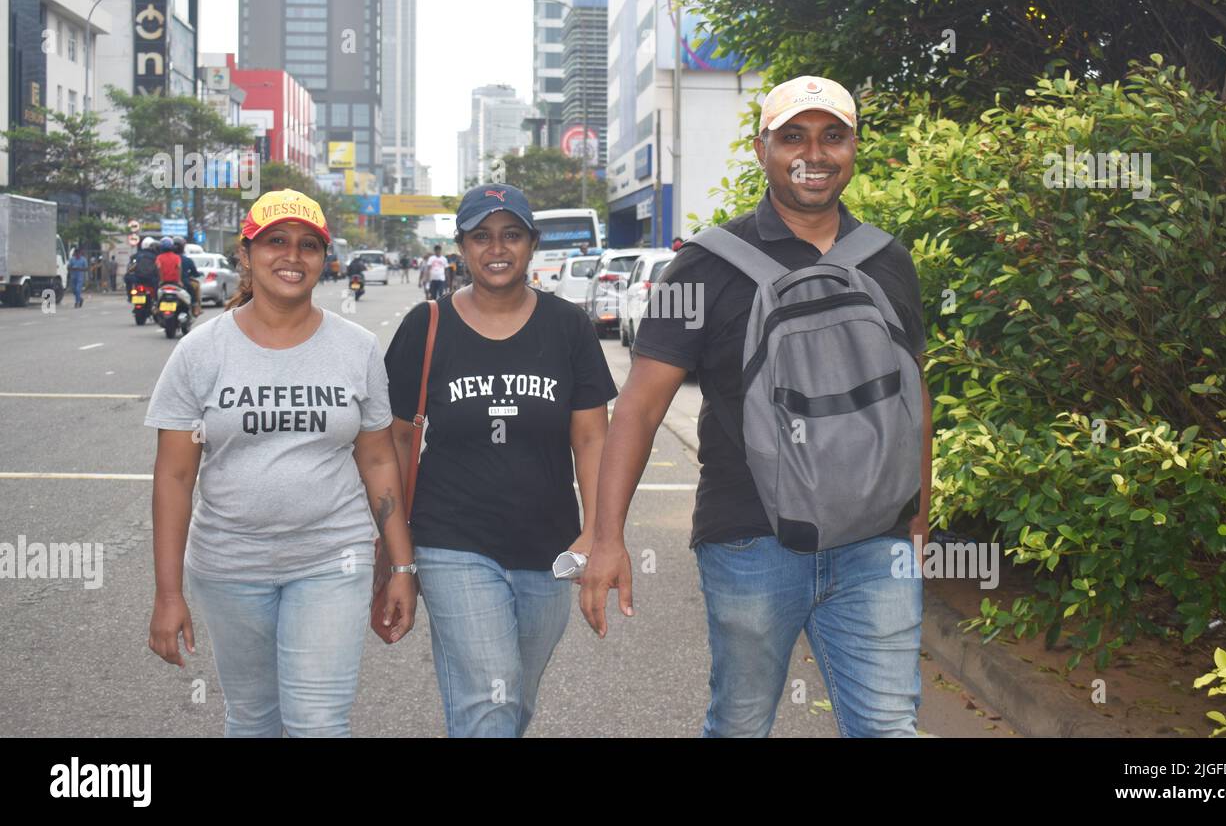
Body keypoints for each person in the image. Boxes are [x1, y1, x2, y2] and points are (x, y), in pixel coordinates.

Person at [580, 75, 931, 738]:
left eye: (833, 135)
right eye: (792, 135)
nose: (814, 153)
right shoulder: (704, 267)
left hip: (875, 543)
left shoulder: (889, 260)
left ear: (855, 147)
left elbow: (915, 395)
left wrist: (918, 521)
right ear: (760, 148)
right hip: (750, 539)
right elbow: (641, 408)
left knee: (888, 726)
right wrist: (606, 537)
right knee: (741, 725)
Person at [144, 189, 418, 737]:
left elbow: (380, 461)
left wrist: (401, 567)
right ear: (245, 255)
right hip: (228, 564)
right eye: (275, 241)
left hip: (331, 558)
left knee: (318, 723)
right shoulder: (200, 352)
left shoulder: (357, 348)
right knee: (253, 720)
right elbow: (174, 478)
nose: (292, 256)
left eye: (308, 245)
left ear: (323, 258)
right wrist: (168, 594)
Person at [385, 184, 617, 737]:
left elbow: (591, 439)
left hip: (548, 546)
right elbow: (391, 445)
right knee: (491, 698)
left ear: (531, 244)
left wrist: (598, 531)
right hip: (451, 542)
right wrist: (398, 557)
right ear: (461, 247)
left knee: (515, 701)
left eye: (511, 234)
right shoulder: (426, 326)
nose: (497, 248)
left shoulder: (568, 327)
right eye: (481, 236)